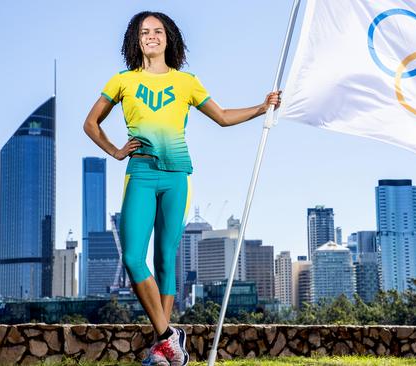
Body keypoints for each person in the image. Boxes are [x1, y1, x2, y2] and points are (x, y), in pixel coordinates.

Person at [83, 11, 281, 366]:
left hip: (177, 176)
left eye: (158, 31)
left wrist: (262, 106)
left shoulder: (186, 82)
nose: (152, 36)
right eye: (145, 32)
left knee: (164, 260)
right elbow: (90, 123)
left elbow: (221, 117)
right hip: (140, 174)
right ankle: (168, 337)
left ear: (168, 38)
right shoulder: (122, 81)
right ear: (136, 39)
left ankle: (163, 352)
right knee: (131, 257)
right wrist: (114, 150)